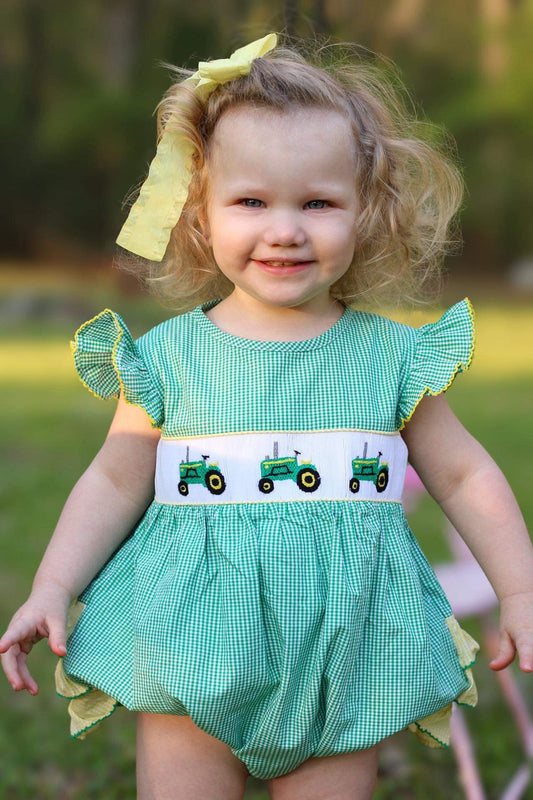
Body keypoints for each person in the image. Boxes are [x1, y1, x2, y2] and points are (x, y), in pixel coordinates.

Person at [1, 33, 532, 800]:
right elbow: (115, 479)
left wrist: (518, 592)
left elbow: (462, 473)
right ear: (200, 213)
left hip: (345, 649)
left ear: (366, 211)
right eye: (250, 202)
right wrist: (52, 587)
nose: (284, 229)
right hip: (193, 642)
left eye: (317, 203)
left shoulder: (390, 358)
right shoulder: (169, 358)